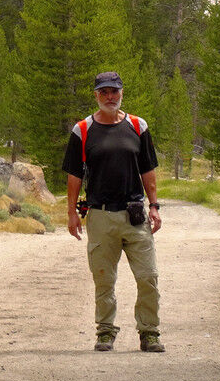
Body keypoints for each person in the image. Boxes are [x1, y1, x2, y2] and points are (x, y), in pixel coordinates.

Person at [63, 70, 164, 352]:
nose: (110, 97)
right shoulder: (82, 131)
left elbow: (148, 170)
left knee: (148, 276)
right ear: (96, 95)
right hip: (100, 215)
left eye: (114, 91)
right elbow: (74, 176)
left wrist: (153, 206)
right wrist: (72, 213)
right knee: (104, 278)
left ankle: (149, 332)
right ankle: (105, 331)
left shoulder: (137, 126)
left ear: (122, 92)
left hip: (135, 216)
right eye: (104, 92)